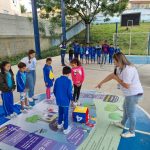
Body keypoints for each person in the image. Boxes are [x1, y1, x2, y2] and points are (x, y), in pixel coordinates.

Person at [96, 52, 143, 138]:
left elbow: (127, 85)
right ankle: (122, 124)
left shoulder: (128, 70)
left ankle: (132, 132)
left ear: (119, 61)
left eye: (114, 61)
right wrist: (101, 83)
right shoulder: (120, 68)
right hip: (129, 94)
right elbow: (111, 75)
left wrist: (116, 78)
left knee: (130, 113)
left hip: (134, 93)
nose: (113, 62)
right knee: (125, 108)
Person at [53, 66, 73, 134]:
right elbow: (69, 92)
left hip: (59, 101)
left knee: (60, 112)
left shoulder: (57, 80)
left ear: (62, 72)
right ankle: (66, 128)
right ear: (69, 73)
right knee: (66, 115)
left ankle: (59, 124)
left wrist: (58, 97)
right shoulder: (68, 81)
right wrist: (72, 99)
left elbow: (54, 91)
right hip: (65, 101)